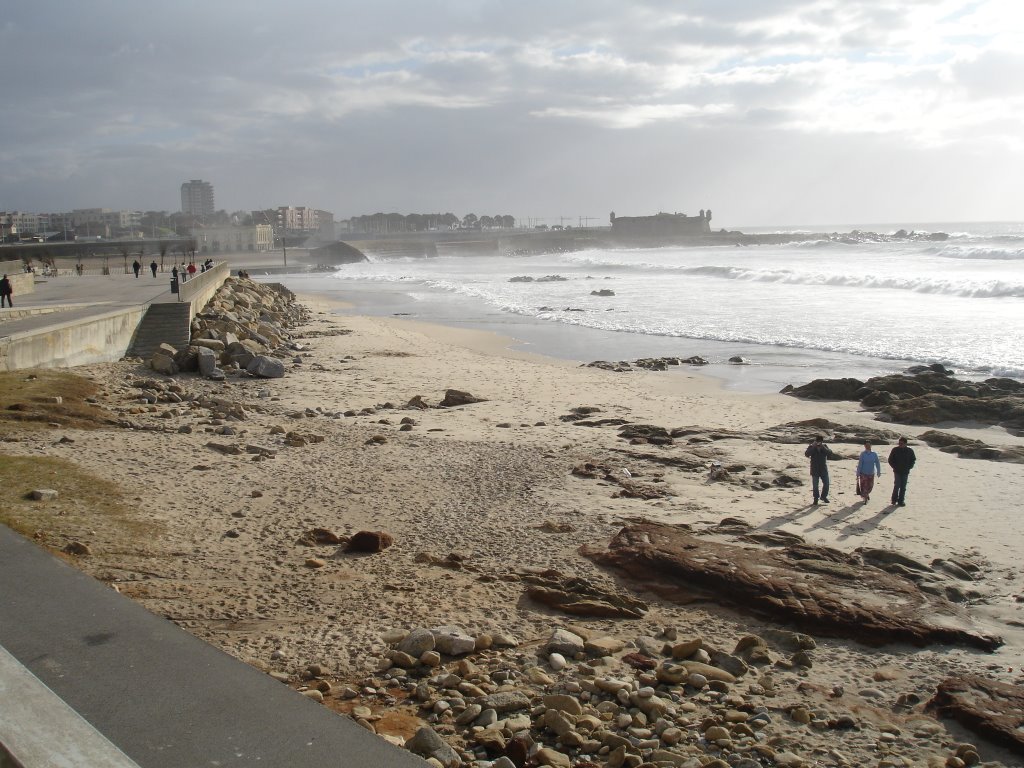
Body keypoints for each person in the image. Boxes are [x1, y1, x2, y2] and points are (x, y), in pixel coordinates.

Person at [804, 435, 839, 504]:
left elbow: (830, 453)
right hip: (815, 469)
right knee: (815, 486)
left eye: (820, 441)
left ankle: (823, 496)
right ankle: (816, 498)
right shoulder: (812, 446)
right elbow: (807, 454)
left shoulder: (824, 446)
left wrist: (822, 447)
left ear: (822, 441)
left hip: (823, 469)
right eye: (817, 441)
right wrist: (813, 446)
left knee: (826, 484)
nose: (818, 443)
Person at [887, 437, 917, 506]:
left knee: (903, 487)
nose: (900, 444)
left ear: (905, 444)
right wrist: (894, 466)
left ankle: (901, 501)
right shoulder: (895, 450)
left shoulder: (910, 451)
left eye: (902, 443)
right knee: (897, 485)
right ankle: (894, 500)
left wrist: (910, 467)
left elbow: (913, 459)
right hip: (897, 471)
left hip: (905, 471)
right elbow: (890, 460)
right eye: (899, 443)